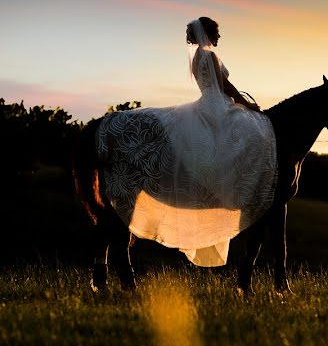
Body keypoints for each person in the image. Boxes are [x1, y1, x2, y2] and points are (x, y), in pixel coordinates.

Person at [96, 16, 278, 266]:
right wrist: (246, 103)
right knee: (250, 132)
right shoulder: (209, 56)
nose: (219, 37)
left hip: (208, 101)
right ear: (208, 34)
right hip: (216, 105)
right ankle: (238, 182)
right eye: (217, 32)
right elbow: (224, 85)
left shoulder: (196, 58)